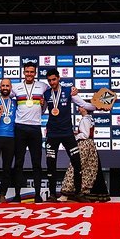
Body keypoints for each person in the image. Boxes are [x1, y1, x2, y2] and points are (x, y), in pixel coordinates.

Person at [42, 69, 94, 201]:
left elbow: (84, 104)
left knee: (77, 162)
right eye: (49, 80)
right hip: (52, 134)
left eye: (54, 79)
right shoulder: (46, 93)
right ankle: (52, 194)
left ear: (59, 78)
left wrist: (99, 106)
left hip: (67, 133)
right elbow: (41, 111)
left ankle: (78, 193)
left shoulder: (68, 91)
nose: (52, 82)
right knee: (50, 164)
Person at [11, 62, 48, 202]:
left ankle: (37, 194)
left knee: (36, 163)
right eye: (27, 72)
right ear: (23, 72)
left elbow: (55, 92)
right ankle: (17, 195)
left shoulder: (43, 86)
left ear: (35, 73)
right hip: (20, 127)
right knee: (18, 162)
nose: (29, 74)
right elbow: (3, 98)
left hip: (35, 128)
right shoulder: (16, 87)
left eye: (32, 72)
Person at [61, 104, 108, 202]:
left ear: (85, 109)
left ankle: (66, 192)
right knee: (89, 169)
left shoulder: (85, 120)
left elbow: (85, 135)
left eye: (80, 106)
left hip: (84, 144)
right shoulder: (89, 119)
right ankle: (82, 191)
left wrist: (74, 136)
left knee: (75, 166)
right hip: (90, 145)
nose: (78, 108)